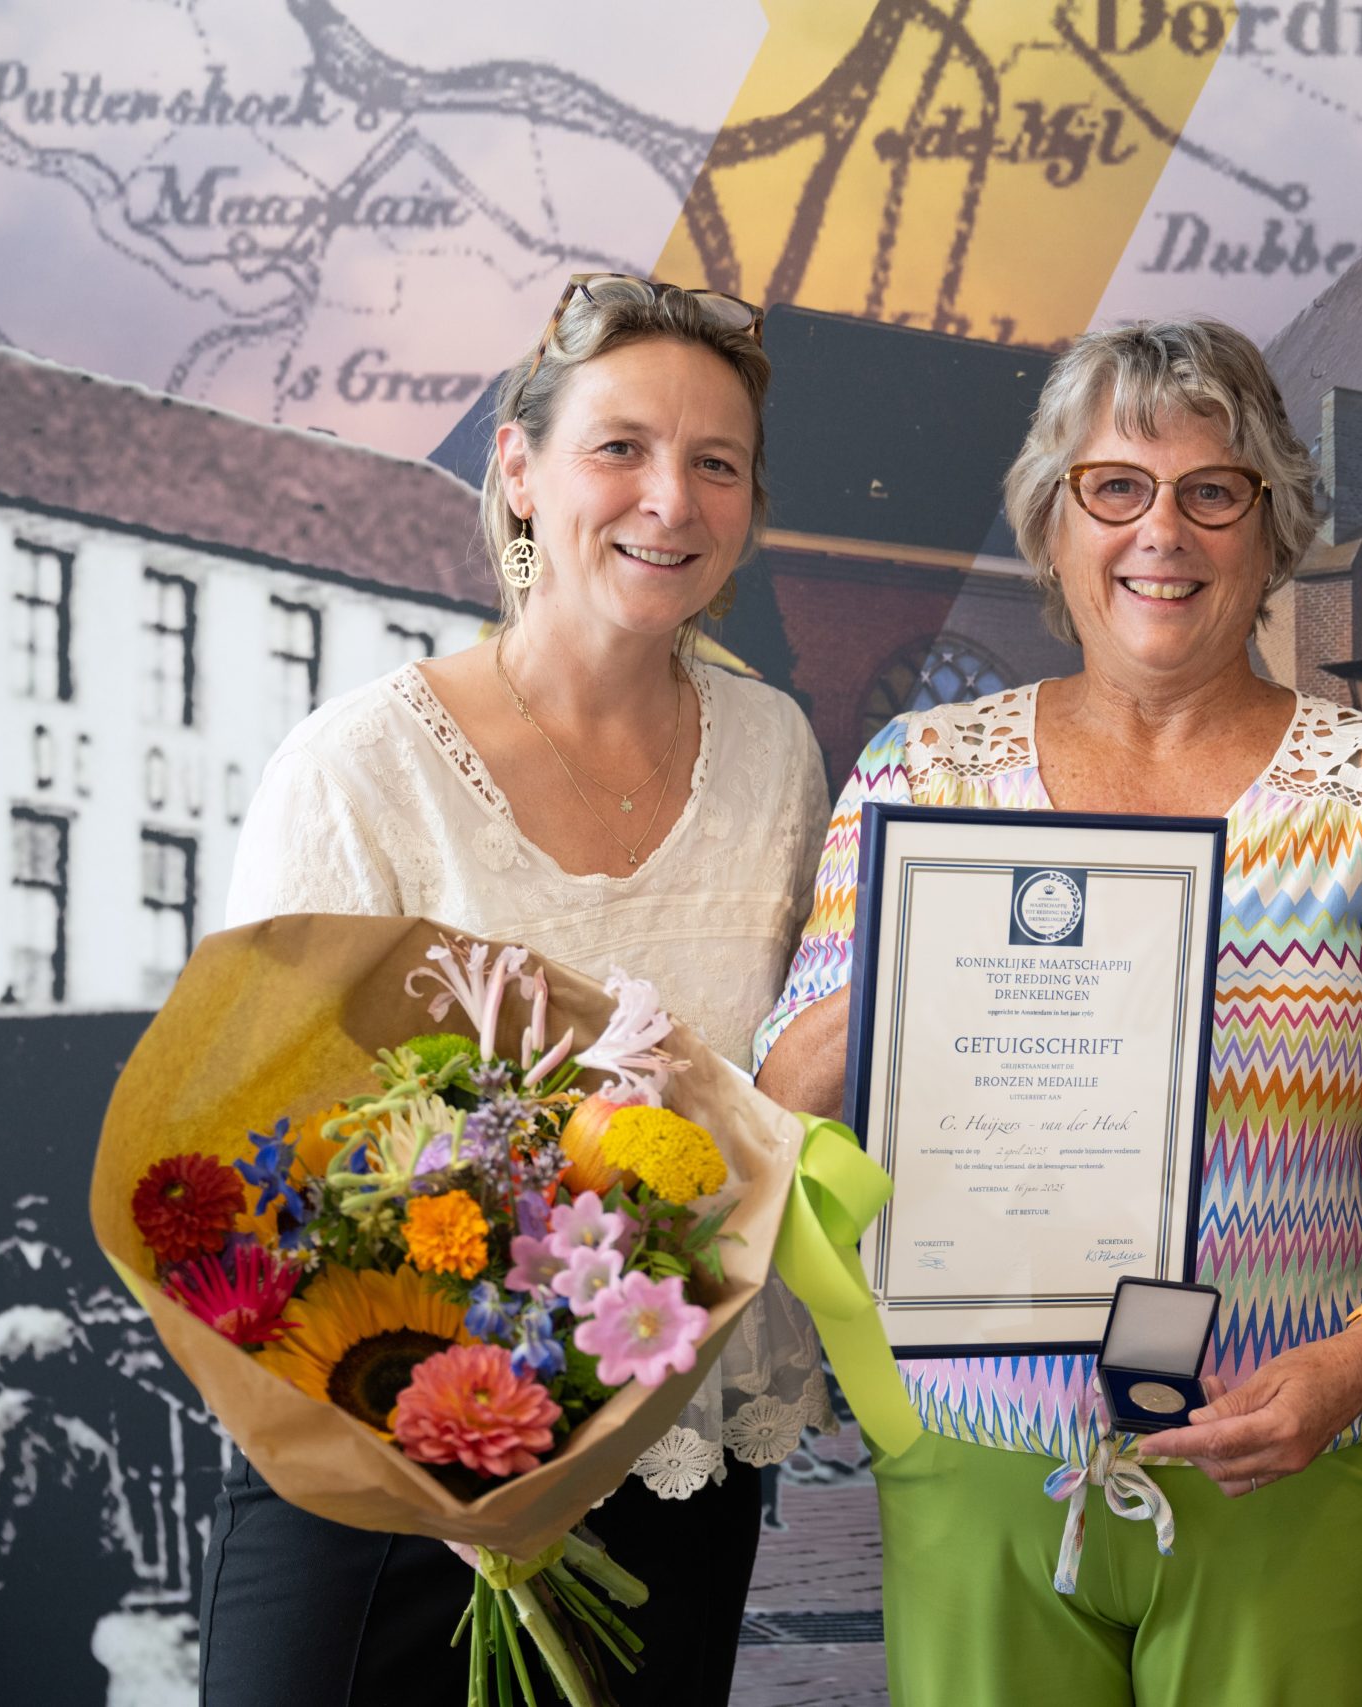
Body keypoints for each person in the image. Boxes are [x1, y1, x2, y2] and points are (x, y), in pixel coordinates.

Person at [754, 318, 1362, 1707]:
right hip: (981, 1444)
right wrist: (935, 946)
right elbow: (787, 1103)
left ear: (1271, 528)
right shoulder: (925, 771)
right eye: (1116, 487)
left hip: (1298, 1445)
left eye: (1212, 491)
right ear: (1056, 524)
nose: (1161, 530)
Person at [200, 274, 831, 1707]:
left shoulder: (780, 756)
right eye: (621, 447)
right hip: (387, 1472)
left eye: (715, 463)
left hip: (672, 1459)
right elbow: (259, 1138)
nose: (670, 499)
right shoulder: (360, 767)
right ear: (522, 468)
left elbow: (780, 1085)